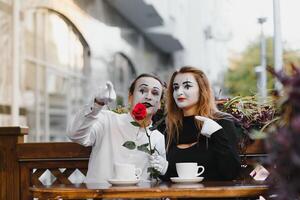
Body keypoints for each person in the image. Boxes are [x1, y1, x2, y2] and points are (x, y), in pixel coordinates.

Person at [67, 74, 168, 183]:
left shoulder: (158, 138)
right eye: (142, 90)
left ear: (159, 105)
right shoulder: (107, 120)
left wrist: (163, 167)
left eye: (155, 93)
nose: (149, 96)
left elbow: (156, 177)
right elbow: (75, 135)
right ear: (130, 97)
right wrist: (97, 104)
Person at [155, 66, 241, 181]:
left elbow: (231, 173)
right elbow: (171, 177)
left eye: (187, 86)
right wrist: (164, 171)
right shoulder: (168, 128)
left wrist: (217, 134)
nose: (179, 92)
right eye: (175, 88)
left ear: (202, 89)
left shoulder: (222, 122)